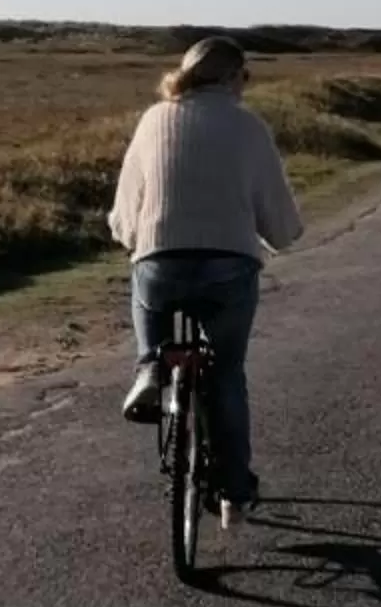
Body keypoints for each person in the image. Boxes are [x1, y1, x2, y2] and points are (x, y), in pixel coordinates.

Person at [109, 34, 303, 507]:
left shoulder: (154, 119)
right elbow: (276, 216)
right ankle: (236, 492)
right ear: (235, 77)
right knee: (228, 374)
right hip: (229, 266)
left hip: (161, 259)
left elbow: (126, 206)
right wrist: (281, 235)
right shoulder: (248, 125)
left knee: (145, 286)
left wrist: (135, 238)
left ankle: (150, 366)